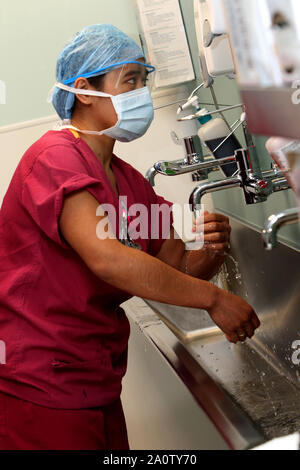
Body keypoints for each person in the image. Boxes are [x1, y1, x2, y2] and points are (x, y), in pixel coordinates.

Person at [0, 24, 260, 450]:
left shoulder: (126, 180)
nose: (142, 92)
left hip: (92, 376)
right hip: (40, 377)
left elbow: (175, 265)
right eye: (131, 81)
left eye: (144, 79)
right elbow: (110, 260)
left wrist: (211, 249)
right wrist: (215, 299)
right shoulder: (55, 159)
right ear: (84, 90)